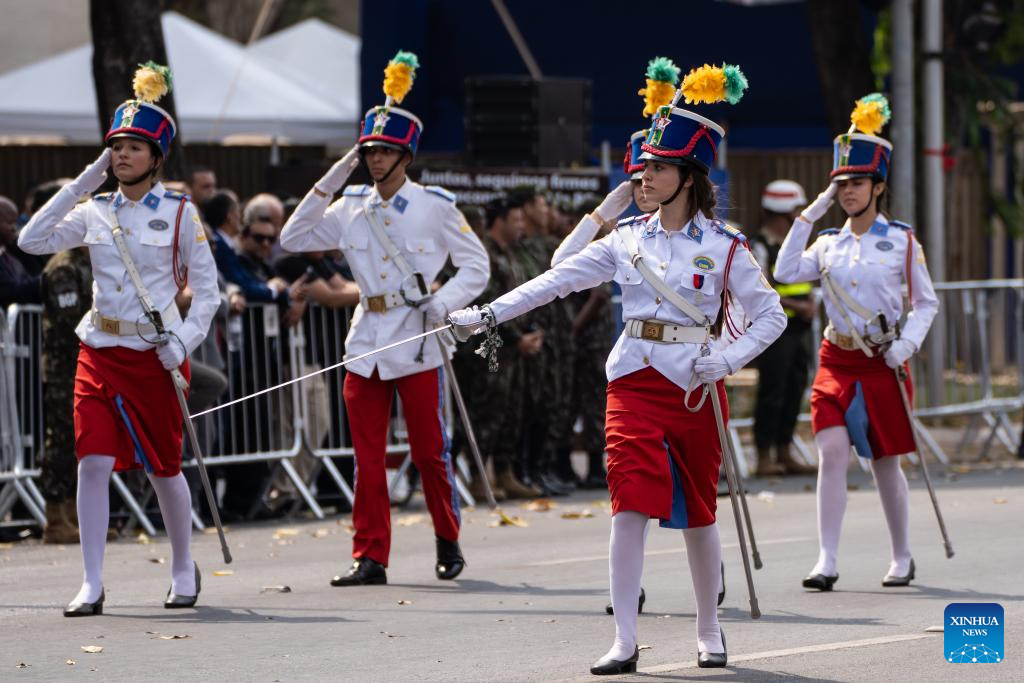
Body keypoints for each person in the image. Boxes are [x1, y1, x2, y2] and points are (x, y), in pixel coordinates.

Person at [450, 63, 783, 674]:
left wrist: (727, 359)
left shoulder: (726, 246)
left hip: (694, 386)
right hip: (631, 379)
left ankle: (709, 629)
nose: (644, 175)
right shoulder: (626, 238)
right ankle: (625, 639)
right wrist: (487, 313)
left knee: (700, 512)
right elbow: (555, 278)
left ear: (689, 176)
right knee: (627, 503)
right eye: (644, 165)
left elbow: (772, 317)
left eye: (657, 167)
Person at [280, 51, 489, 586]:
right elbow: (294, 237)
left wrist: (442, 305)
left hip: (417, 338)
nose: (375, 161)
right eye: (369, 152)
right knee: (367, 459)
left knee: (429, 452)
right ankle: (370, 555)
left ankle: (447, 539)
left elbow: (476, 266)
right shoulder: (350, 204)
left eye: (385, 152)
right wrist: (335, 174)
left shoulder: (435, 205)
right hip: (367, 338)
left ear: (406, 155)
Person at [18, 63, 220, 615]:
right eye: (116, 146)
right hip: (98, 351)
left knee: (164, 468)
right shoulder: (94, 210)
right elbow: (31, 240)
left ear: (157, 157)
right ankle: (91, 581)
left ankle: (182, 567)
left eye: (134, 146)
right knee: (93, 462)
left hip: (154, 357)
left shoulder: (181, 214)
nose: (122, 155)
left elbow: (208, 294)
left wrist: (182, 343)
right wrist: (83, 181)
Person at [774, 93, 939, 591]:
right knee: (831, 451)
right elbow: (783, 271)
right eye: (841, 184)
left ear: (878, 186)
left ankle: (902, 555)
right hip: (836, 359)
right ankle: (826, 558)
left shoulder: (903, 241)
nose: (848, 191)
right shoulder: (827, 243)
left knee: (885, 461)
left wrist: (905, 347)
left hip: (882, 362)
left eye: (856, 182)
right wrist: (811, 212)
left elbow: (925, 303)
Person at [749, 180, 817, 477]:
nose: (800, 214)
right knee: (772, 392)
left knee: (794, 388)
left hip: (797, 330)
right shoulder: (759, 246)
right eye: (796, 209)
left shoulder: (793, 247)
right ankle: (764, 456)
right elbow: (759, 287)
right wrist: (798, 305)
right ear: (782, 211)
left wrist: (810, 301)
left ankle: (784, 450)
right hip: (774, 332)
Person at [39, 239, 94, 544]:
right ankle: (55, 517)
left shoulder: (88, 261)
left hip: (83, 364)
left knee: (80, 438)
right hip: (64, 367)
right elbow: (68, 318)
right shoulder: (64, 266)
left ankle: (74, 514)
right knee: (60, 438)